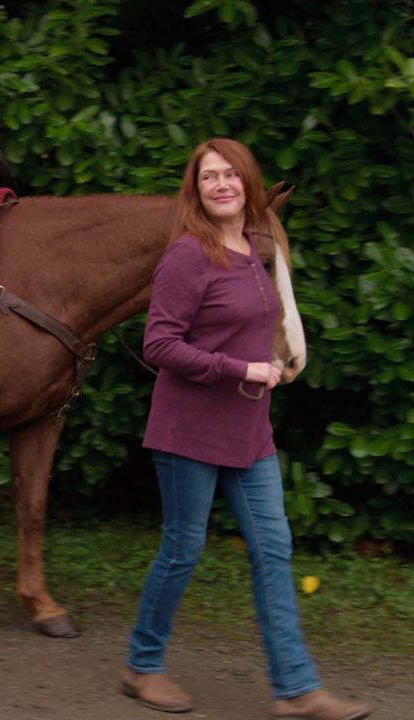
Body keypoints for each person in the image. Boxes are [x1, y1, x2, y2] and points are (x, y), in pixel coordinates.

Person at [120, 139, 372, 720]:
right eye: (209, 177)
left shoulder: (257, 251)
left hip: (249, 431)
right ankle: (143, 665)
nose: (221, 184)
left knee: (273, 550)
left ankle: (297, 689)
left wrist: (276, 362)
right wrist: (242, 368)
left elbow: (265, 322)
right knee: (183, 549)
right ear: (197, 190)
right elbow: (159, 344)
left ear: (249, 183)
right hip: (188, 431)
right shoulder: (187, 255)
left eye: (231, 174)